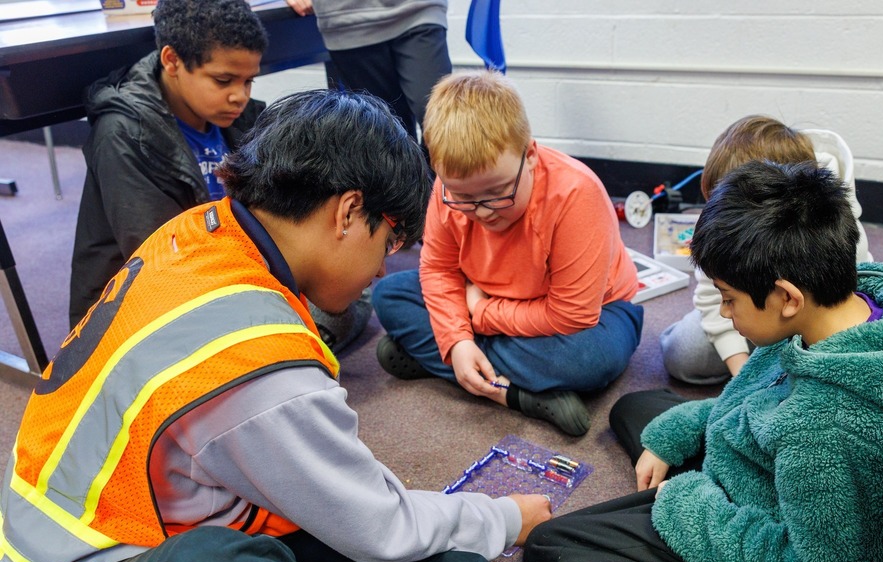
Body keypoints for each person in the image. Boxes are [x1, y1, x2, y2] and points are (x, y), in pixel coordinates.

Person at [0, 89, 767, 562]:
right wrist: (500, 514)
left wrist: (463, 521)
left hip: (218, 532)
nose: (381, 267)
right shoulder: (256, 356)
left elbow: (371, 523)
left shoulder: (206, 233)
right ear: (347, 214)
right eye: (387, 242)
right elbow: (375, 519)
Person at [522, 160, 883, 562]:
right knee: (638, 411)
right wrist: (690, 432)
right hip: (785, 467)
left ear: (786, 298)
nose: (725, 315)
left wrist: (692, 506)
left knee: (554, 555)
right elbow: (764, 394)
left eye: (729, 300)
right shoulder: (863, 296)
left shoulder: (832, 431)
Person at [68, 0, 371, 351]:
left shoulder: (239, 118)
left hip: (225, 273)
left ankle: (291, 344)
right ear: (172, 61)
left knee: (345, 289)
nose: (239, 96)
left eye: (248, 81)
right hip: (150, 308)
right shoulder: (124, 132)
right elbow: (164, 266)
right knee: (326, 308)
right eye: (224, 80)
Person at [371, 70, 643, 437]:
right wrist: (458, 341)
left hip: (593, 315)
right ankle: (516, 394)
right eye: (464, 198)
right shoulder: (445, 190)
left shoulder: (577, 194)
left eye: (498, 192)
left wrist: (479, 316)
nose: (482, 211)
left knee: (592, 360)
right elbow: (437, 271)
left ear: (529, 154)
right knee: (388, 295)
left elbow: (572, 314)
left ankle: (449, 363)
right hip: (489, 299)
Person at [660, 115, 874, 384]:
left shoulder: (830, 217)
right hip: (759, 309)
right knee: (683, 353)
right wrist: (744, 379)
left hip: (810, 317)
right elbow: (713, 295)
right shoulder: (728, 234)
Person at [291, 0, 452, 152]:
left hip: (418, 11)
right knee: (384, 133)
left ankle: (442, 180)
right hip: (348, 20)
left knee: (442, 120)